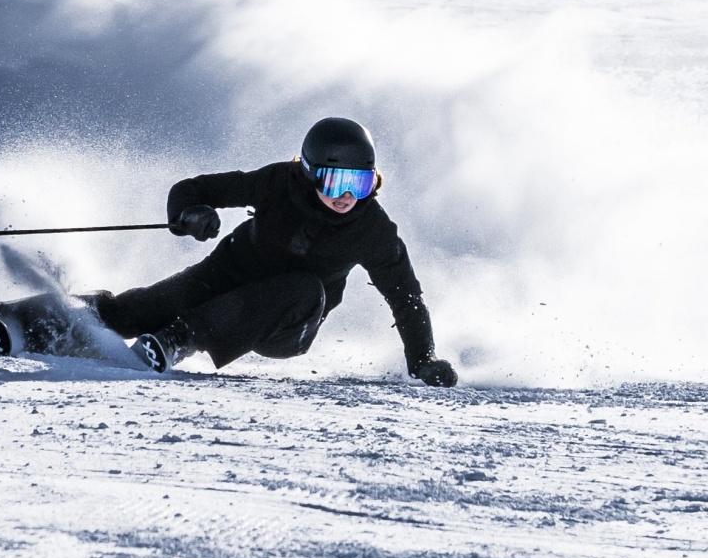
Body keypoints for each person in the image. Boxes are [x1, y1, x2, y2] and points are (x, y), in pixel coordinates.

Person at [93, 116, 458, 382]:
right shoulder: (277, 183)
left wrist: (424, 361)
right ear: (311, 173)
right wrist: (191, 214)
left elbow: (405, 296)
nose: (347, 196)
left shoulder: (372, 230)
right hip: (226, 278)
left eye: (359, 183)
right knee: (130, 313)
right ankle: (60, 320)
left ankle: (180, 340)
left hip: (288, 323)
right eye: (335, 182)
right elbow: (194, 188)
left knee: (304, 285)